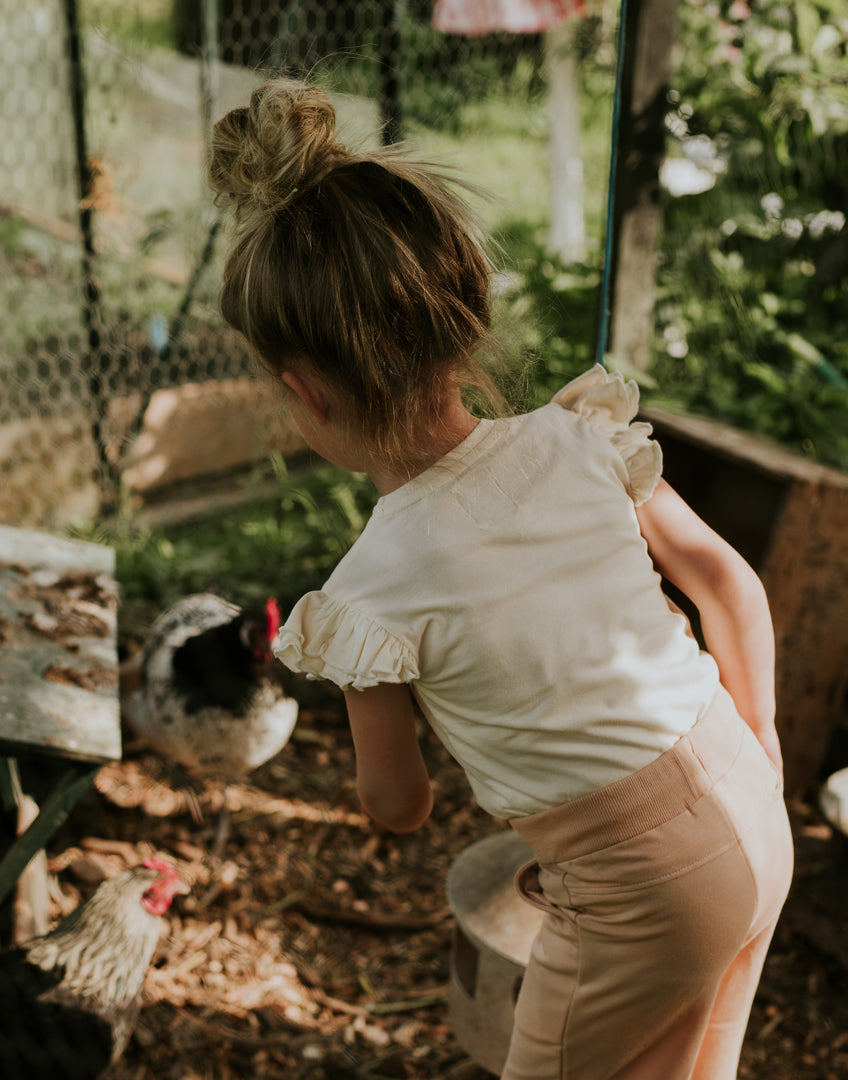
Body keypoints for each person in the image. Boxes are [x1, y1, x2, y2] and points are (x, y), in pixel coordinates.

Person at [208, 79, 793, 1080]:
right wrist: (762, 742)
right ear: (467, 309)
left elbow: (398, 802)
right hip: (750, 796)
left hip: (632, 891)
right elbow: (729, 586)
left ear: (303, 392)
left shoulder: (369, 594)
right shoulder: (582, 439)